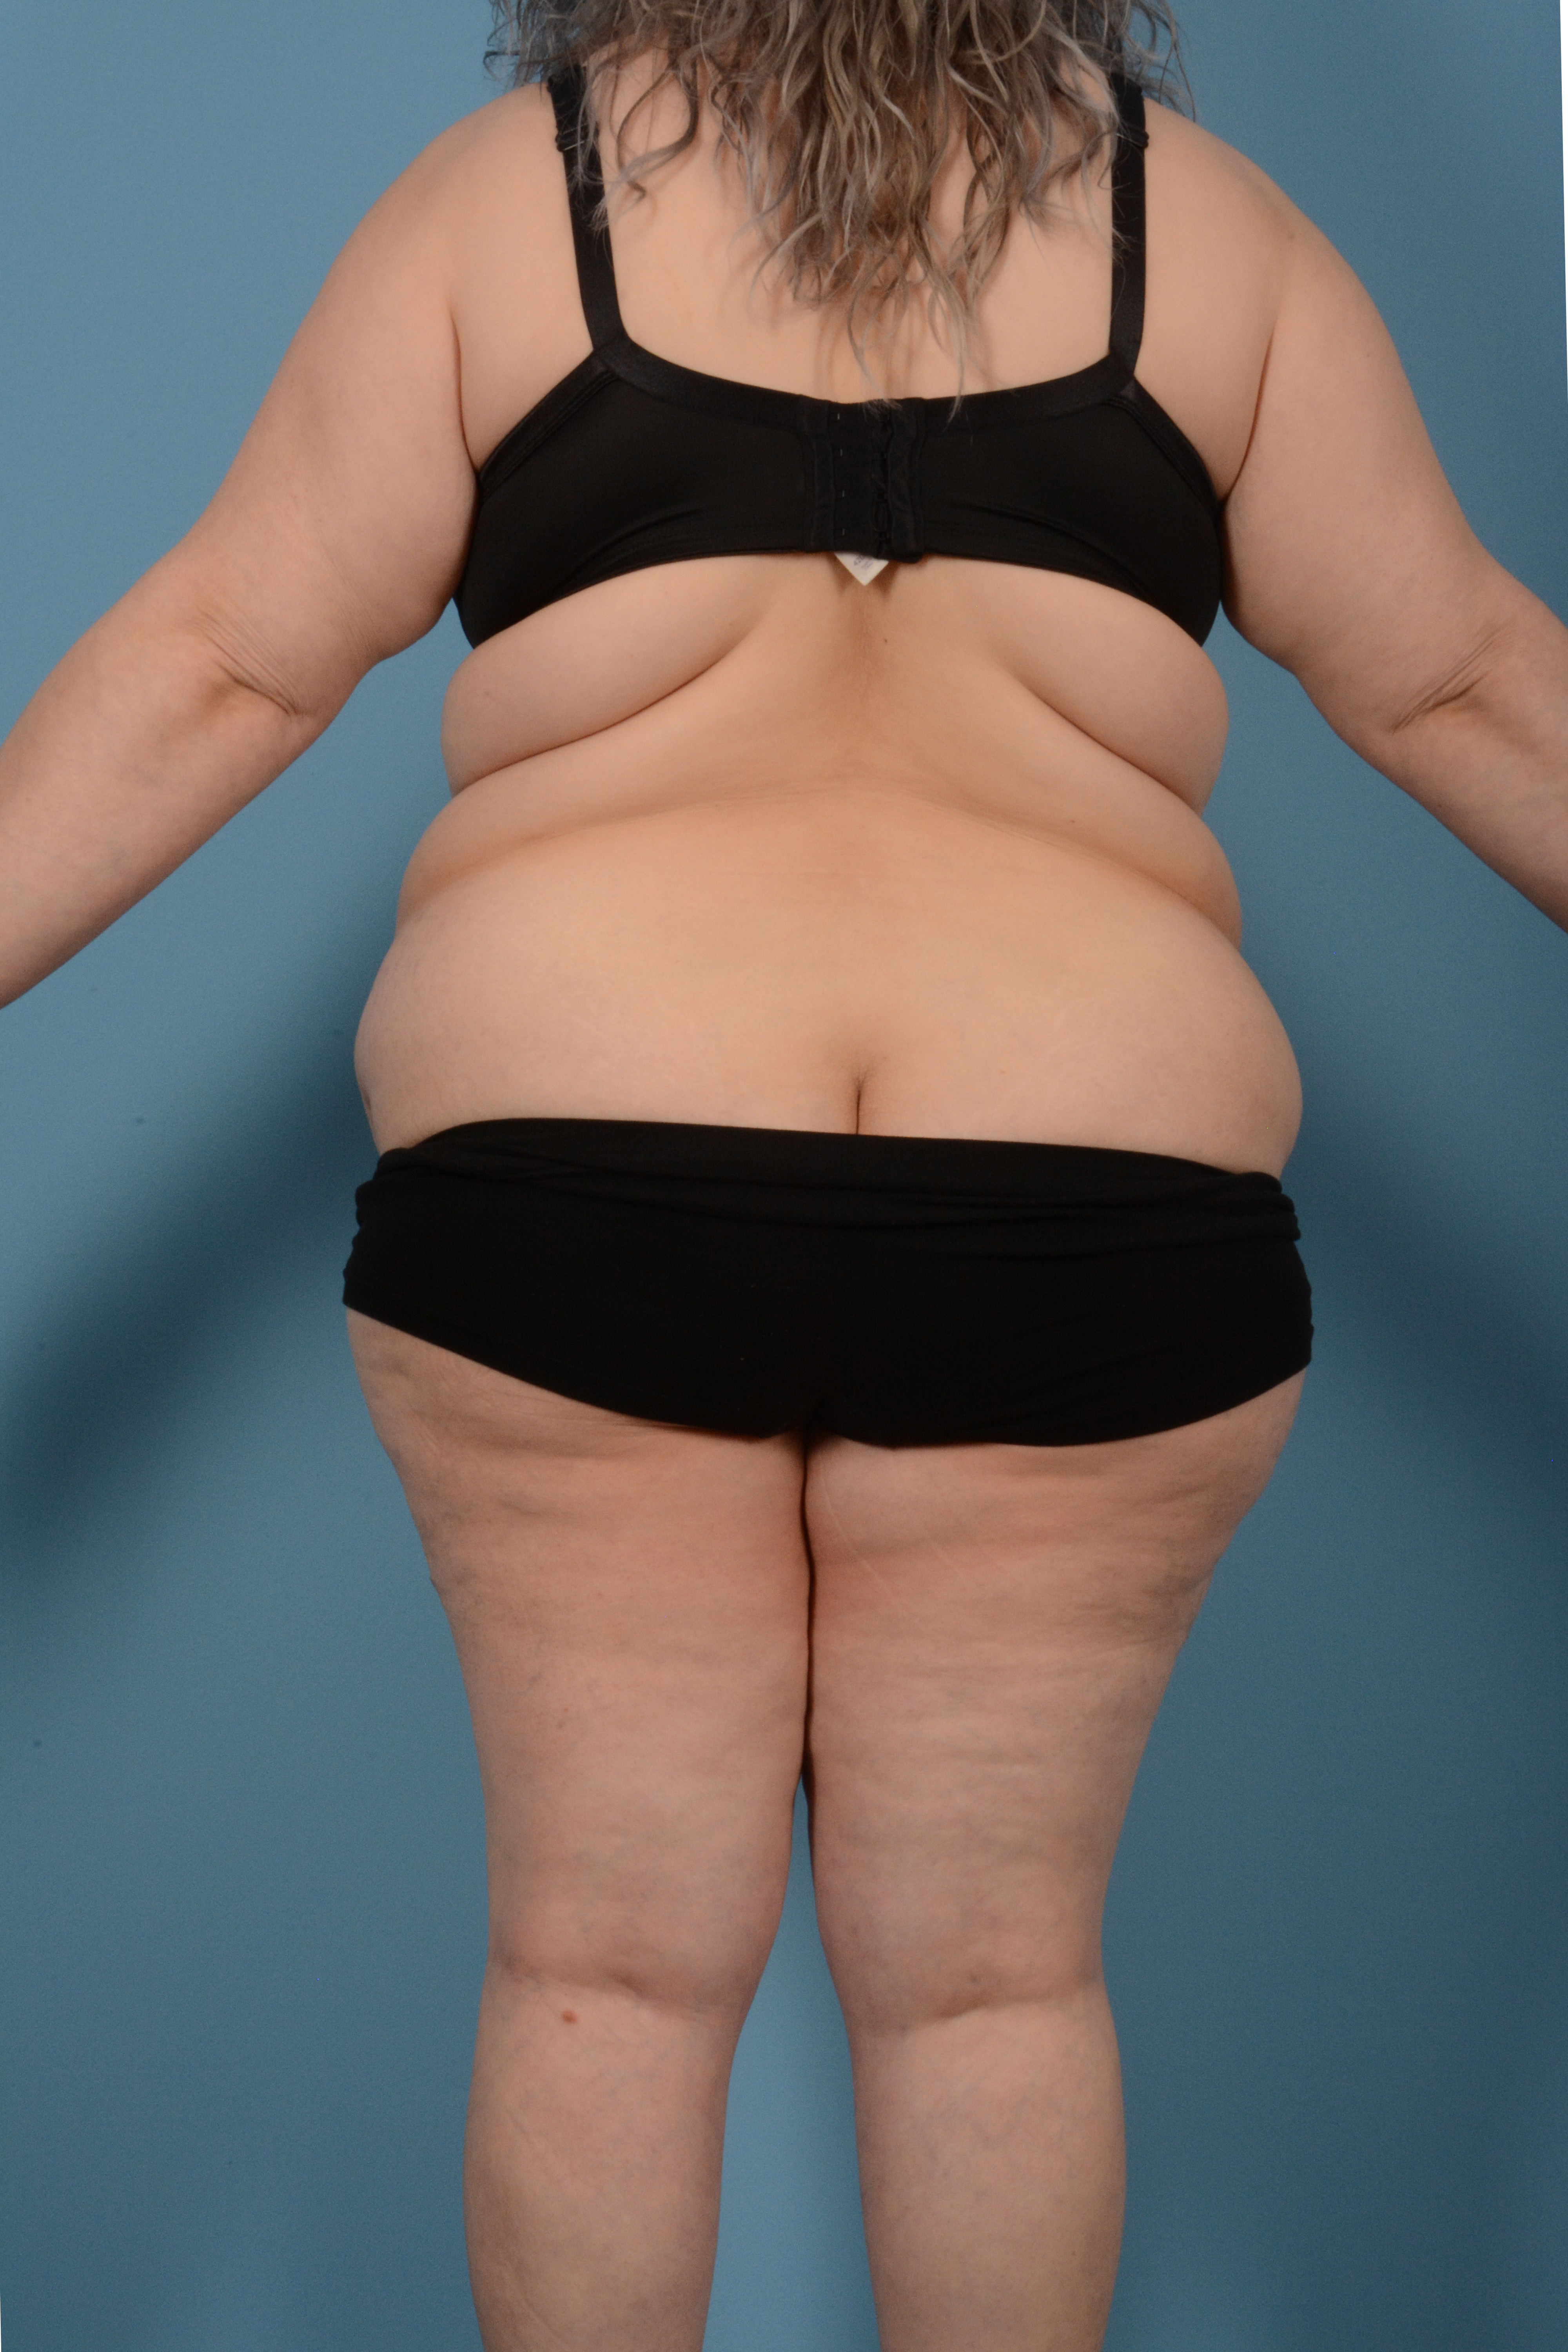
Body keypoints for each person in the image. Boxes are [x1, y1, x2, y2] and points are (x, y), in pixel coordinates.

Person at [2, 0, 1564, 2342]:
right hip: (1088, 1222)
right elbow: (1458, 681)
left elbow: (228, 656)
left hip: (582, 1197)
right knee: (993, 1991)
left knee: (606, 1974)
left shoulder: (506, 214)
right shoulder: (1218, 245)